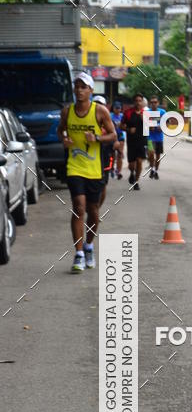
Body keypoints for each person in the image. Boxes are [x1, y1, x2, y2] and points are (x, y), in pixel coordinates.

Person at [58, 73, 116, 273]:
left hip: (94, 168)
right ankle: (79, 253)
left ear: (91, 90)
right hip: (74, 166)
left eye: (84, 87)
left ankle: (89, 246)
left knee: (93, 210)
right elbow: (60, 130)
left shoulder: (99, 111)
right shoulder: (67, 112)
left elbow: (113, 135)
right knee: (78, 207)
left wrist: (97, 138)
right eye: (77, 86)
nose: (79, 90)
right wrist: (64, 140)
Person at [121, 93, 146, 190]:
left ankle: (136, 181)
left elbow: (151, 128)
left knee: (139, 161)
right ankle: (132, 172)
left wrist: (144, 120)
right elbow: (121, 125)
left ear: (142, 102)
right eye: (136, 100)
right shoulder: (128, 113)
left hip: (141, 141)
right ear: (134, 102)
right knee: (131, 164)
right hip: (131, 142)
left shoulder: (145, 113)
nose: (138, 102)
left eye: (140, 101)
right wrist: (128, 130)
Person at [146, 95, 166, 179]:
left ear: (158, 103)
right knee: (151, 153)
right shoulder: (147, 113)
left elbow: (167, 123)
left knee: (158, 156)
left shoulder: (162, 112)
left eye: (155, 102)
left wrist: (161, 127)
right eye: (152, 102)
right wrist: (151, 127)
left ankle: (155, 171)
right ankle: (152, 168)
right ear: (150, 104)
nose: (153, 104)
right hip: (150, 138)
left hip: (159, 138)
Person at [110, 100, 125, 180]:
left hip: (120, 135)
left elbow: (126, 125)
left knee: (120, 154)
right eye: (116, 108)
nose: (117, 110)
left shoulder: (123, 116)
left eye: (119, 108)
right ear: (113, 108)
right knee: (112, 154)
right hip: (112, 136)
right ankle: (111, 169)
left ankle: (118, 172)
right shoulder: (110, 115)